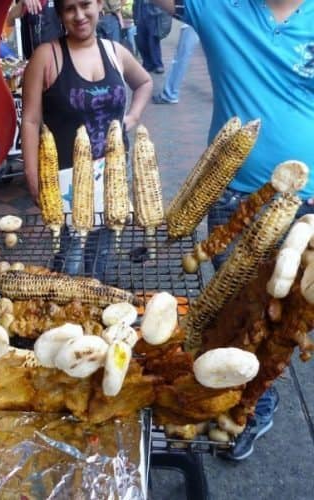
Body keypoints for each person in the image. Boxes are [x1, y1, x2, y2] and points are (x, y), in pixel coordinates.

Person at [151, 0, 314, 460]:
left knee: (284, 322)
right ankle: (228, 397)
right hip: (233, 198)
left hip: (306, 206)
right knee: (236, 312)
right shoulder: (216, 8)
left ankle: (252, 405)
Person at [21, 0, 152, 274]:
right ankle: (67, 309)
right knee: (69, 257)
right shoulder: (46, 56)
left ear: (99, 4)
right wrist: (32, 175)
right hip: (66, 182)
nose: (79, 15)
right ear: (60, 14)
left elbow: (144, 82)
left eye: (85, 5)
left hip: (111, 175)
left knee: (100, 254)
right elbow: (31, 121)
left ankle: (96, 303)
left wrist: (132, 117)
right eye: (70, 8)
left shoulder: (115, 51)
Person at [152, 23, 199, 104]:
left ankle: (170, 94)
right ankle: (226, 93)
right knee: (219, 55)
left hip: (197, 16)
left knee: (183, 54)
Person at [133, 0, 167, 73]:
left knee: (153, 41)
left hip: (153, 14)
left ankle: (158, 64)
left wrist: (158, 11)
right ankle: (148, 64)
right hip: (141, 11)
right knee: (141, 41)